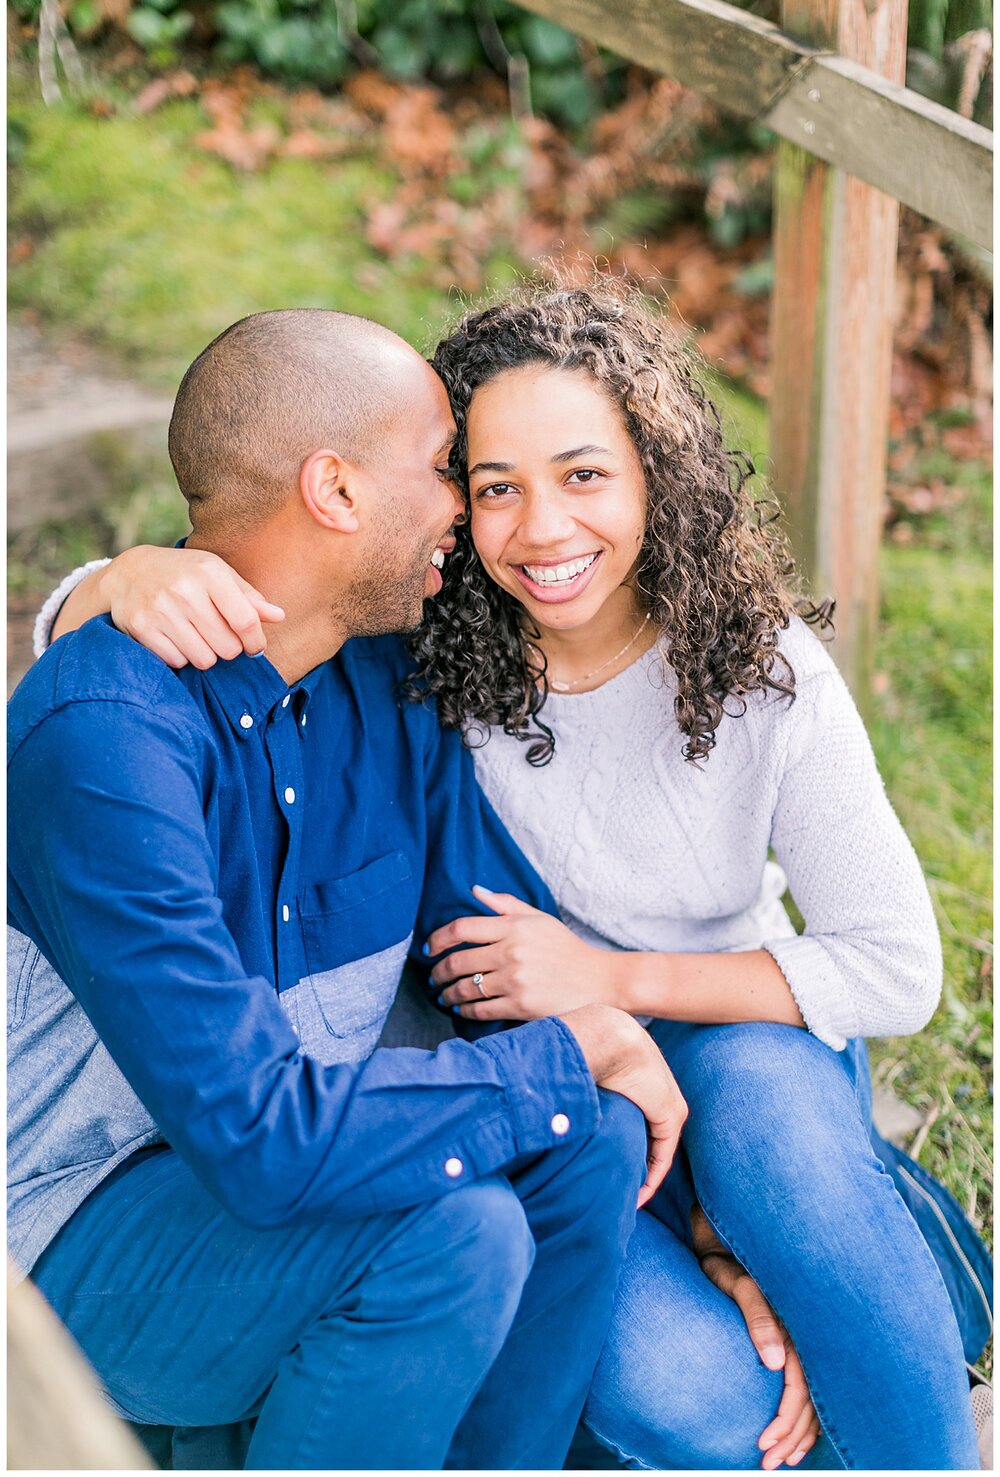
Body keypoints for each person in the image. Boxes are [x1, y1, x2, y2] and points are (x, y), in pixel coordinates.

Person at [42, 287, 991, 1470]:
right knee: (677, 1383)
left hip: (735, 1039)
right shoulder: (426, 652)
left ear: (656, 470)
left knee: (744, 1143)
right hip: (385, 1113)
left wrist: (633, 1049)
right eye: (479, 480)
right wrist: (97, 586)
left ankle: (844, 1284)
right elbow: (236, 584)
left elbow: (891, 965)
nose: (529, 526)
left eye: (584, 474)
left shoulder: (728, 669)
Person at [8, 308, 695, 1473]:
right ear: (333, 489)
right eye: (443, 470)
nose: (462, 514)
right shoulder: (109, 741)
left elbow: (503, 955)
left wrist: (713, 1212)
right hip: (70, 1225)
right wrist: (565, 1054)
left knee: (584, 1145)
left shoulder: (383, 680)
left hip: (297, 1157)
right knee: (453, 1232)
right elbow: (261, 1137)